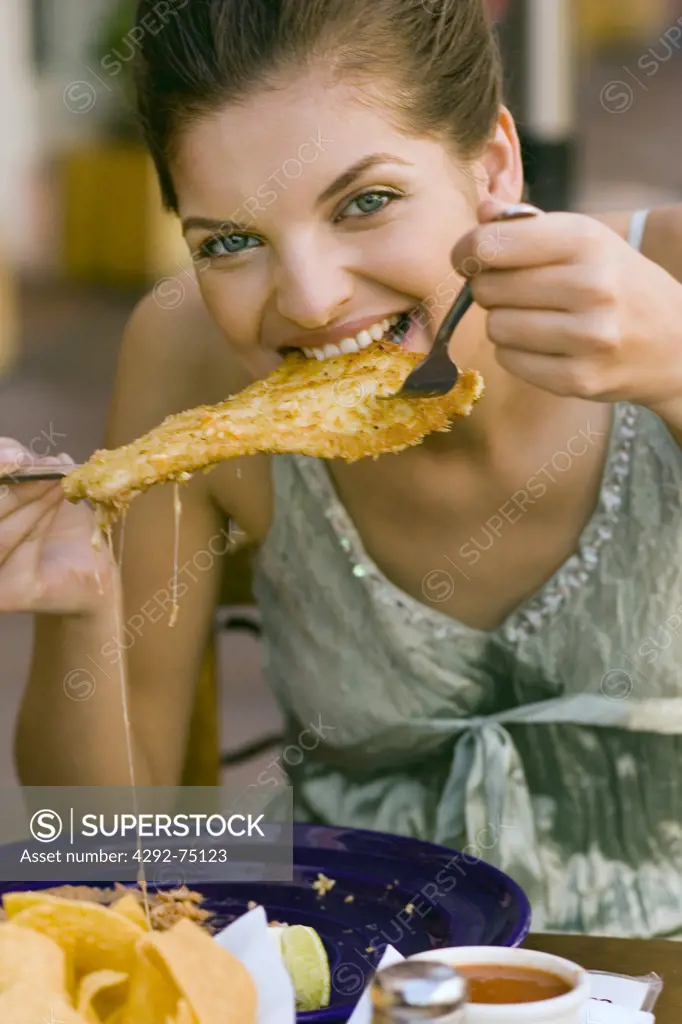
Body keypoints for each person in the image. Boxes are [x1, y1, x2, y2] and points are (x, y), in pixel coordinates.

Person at [3, 0, 682, 937]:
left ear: (494, 165)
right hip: (354, 971)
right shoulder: (184, 355)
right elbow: (107, 857)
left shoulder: (672, 284)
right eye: (229, 243)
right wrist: (77, 608)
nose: (312, 299)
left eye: (365, 202)